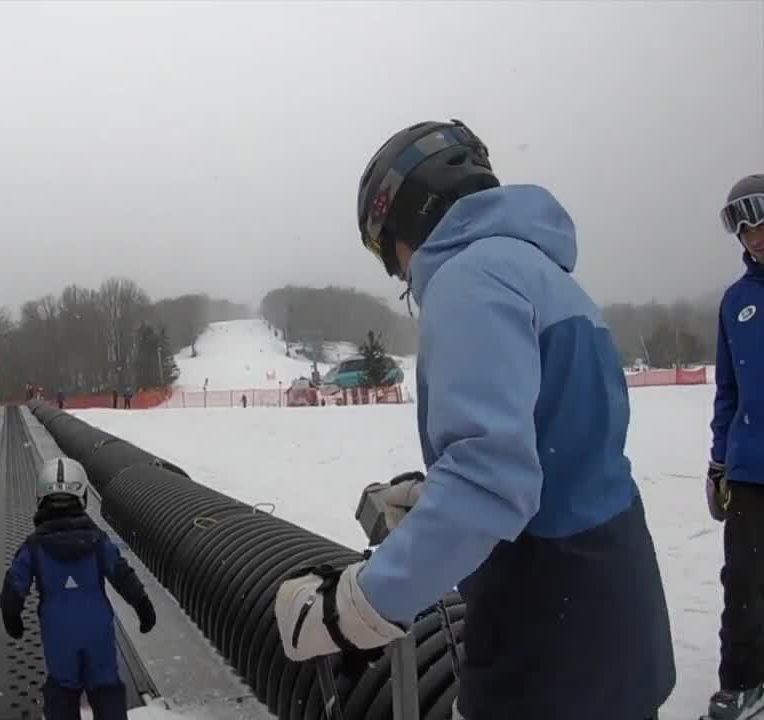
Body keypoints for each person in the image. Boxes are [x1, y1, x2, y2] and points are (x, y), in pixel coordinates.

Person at [274, 119, 674, 720]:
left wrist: (351, 608)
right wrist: (441, 488)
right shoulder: (540, 272)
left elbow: (492, 484)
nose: (404, 277)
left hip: (547, 635)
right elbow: (558, 448)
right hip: (609, 612)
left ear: (405, 218)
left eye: (391, 258)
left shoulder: (469, 279)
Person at [0, 457, 156, 720]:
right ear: (82, 495)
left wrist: (12, 618)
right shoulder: (98, 541)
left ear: (40, 498)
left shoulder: (34, 546)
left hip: (58, 634)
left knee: (62, 690)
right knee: (106, 688)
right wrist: (143, 606)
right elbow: (122, 574)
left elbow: (14, 586)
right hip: (99, 632)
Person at [707, 173, 764, 720]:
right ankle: (743, 682)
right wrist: (717, 463)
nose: (753, 232)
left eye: (760, 216)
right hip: (749, 468)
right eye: (741, 224)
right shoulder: (735, 302)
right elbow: (728, 390)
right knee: (743, 581)